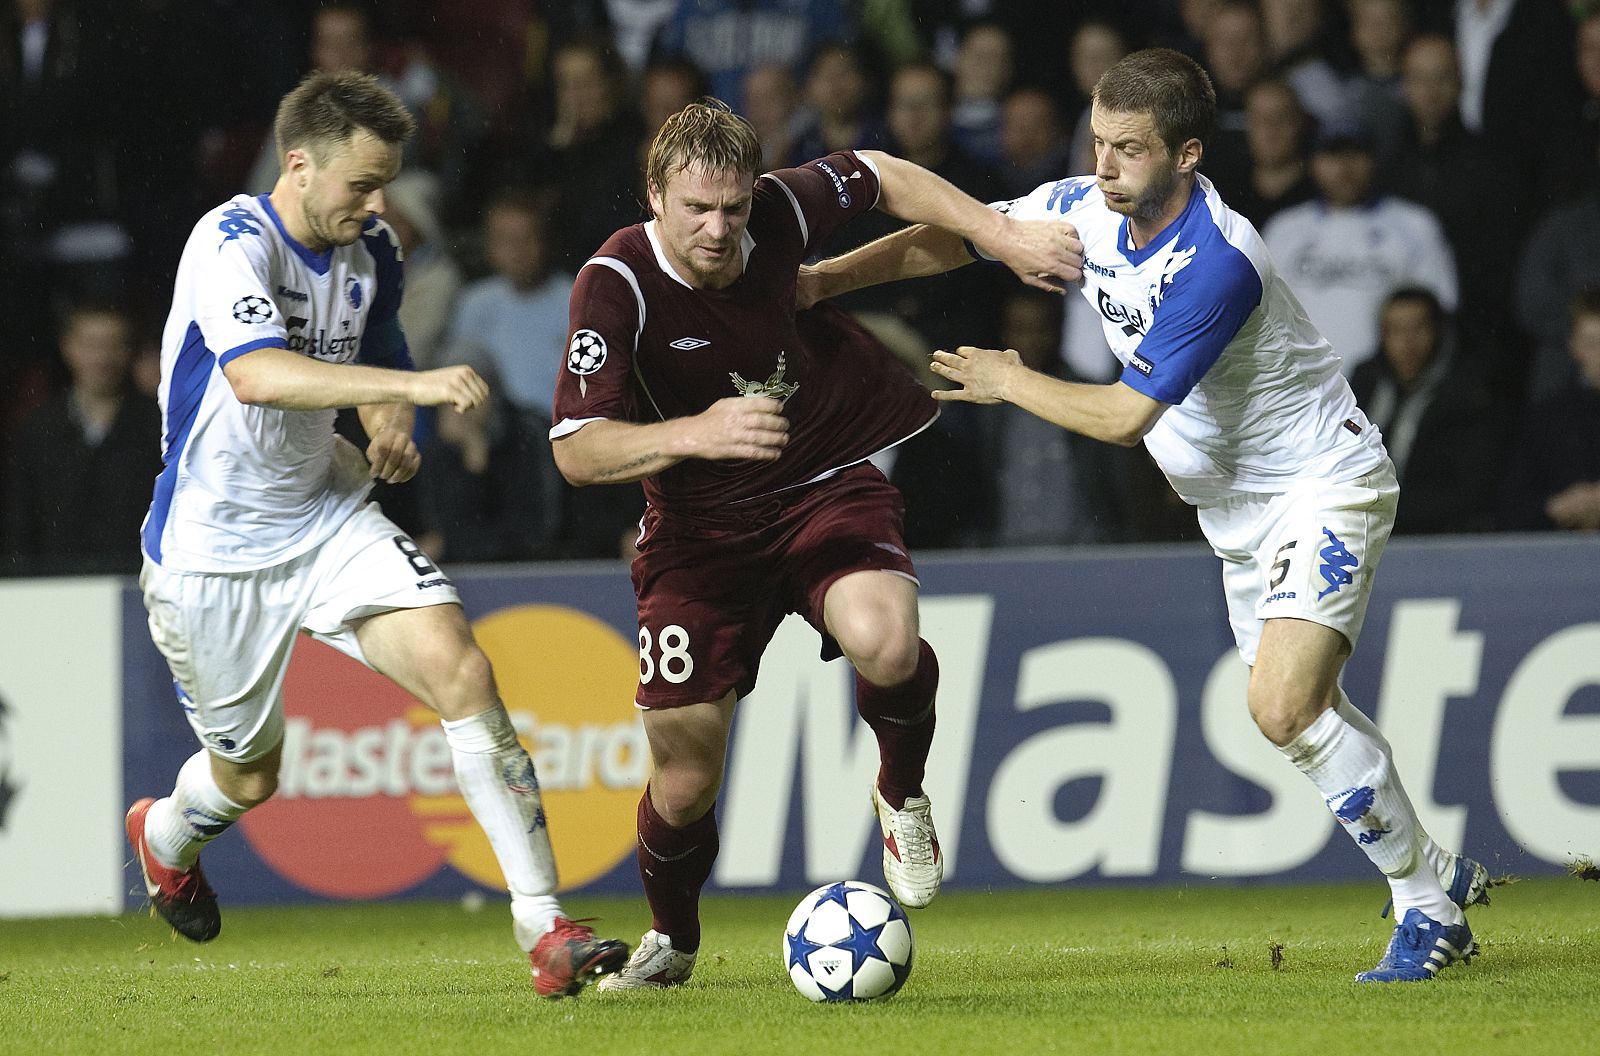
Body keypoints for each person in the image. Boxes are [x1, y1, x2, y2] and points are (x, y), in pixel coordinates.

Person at [801, 48, 1488, 984]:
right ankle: (1431, 868)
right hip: (1236, 515)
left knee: (1281, 706)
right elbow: (961, 237)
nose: (1105, 164)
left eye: (1129, 148)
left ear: (1189, 153)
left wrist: (1013, 379)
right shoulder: (1088, 206)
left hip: (1318, 483)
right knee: (1306, 711)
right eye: (1097, 142)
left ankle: (1427, 907)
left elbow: (1126, 419)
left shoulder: (1218, 260)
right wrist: (819, 283)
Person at [550, 100, 1080, 990]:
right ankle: (672, 940)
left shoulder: (779, 211)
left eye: (733, 206)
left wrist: (999, 233)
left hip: (821, 481)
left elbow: (880, 170)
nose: (720, 229)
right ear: (655, 194)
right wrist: (694, 432)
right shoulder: (617, 283)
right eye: (697, 210)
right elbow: (575, 450)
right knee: (684, 779)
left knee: (888, 637)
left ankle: (901, 791)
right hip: (697, 535)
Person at [124, 70, 627, 999]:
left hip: (326, 515)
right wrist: (415, 394)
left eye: (387, 181)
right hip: (212, 555)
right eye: (361, 183)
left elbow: (378, 350)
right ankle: (163, 835)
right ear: (300, 163)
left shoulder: (375, 247)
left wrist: (388, 426)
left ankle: (545, 928)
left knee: (464, 672)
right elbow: (260, 377)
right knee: (248, 779)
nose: (379, 201)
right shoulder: (230, 240)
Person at [2, 303, 161, 575]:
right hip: (52, 587)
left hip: (138, 582)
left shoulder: (157, 424)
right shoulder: (39, 428)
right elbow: (20, 522)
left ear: (129, 350)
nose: (102, 357)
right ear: (67, 346)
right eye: (91, 344)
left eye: (114, 345)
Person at [1349, 287, 1503, 535]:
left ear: (1439, 330)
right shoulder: (1364, 384)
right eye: (1396, 331)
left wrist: (1381, 506)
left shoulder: (1470, 394)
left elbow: (1469, 492)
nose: (1407, 342)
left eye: (1418, 328)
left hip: (1437, 539)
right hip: (1360, 530)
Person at [1498, 289, 1600, 532]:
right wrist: (1556, 508)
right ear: (1573, 346)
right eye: (1593, 343)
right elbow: (1510, 507)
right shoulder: (1548, 419)